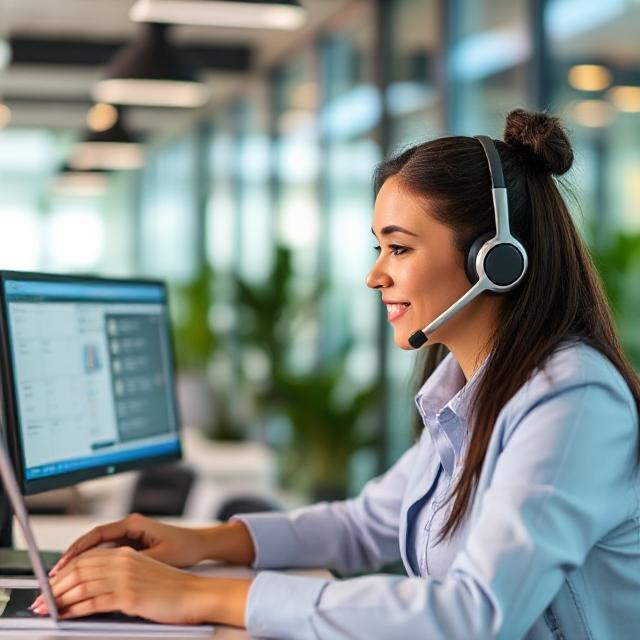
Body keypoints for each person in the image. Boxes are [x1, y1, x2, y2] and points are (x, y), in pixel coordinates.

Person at [31, 109, 640, 639]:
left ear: (496, 260)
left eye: (398, 248)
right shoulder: (472, 392)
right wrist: (204, 543)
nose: (376, 275)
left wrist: (194, 596)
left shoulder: (573, 401)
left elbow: (476, 615)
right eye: (378, 248)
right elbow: (364, 523)